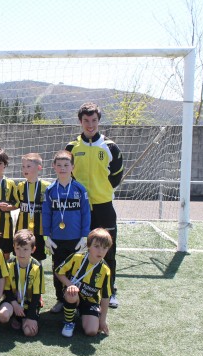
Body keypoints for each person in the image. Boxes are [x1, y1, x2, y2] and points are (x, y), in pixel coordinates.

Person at [65, 102, 124, 308]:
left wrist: (102, 190)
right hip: (80, 208)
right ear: (80, 122)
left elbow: (116, 176)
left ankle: (110, 290)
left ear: (99, 121)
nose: (90, 125)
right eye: (86, 121)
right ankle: (79, 288)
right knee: (80, 249)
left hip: (103, 206)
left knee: (108, 250)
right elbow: (67, 175)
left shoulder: (110, 147)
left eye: (94, 121)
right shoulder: (72, 148)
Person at [43, 150, 90, 313]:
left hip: (76, 239)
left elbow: (85, 213)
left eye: (66, 165)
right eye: (59, 165)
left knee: (76, 271)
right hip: (57, 239)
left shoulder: (79, 188)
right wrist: (46, 236)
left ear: (72, 167)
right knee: (58, 269)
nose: (62, 168)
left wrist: (85, 236)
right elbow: (47, 213)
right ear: (54, 167)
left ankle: (75, 301)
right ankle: (60, 300)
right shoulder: (50, 190)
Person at [55, 228, 113, 338]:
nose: (100, 251)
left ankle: (82, 313)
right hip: (73, 295)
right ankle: (69, 323)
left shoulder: (105, 270)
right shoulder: (76, 257)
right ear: (88, 245)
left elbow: (105, 297)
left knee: (91, 332)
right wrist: (70, 285)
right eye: (96, 246)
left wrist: (102, 320)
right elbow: (59, 272)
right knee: (71, 293)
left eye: (104, 248)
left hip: (90, 302)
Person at [0, 229, 45, 337]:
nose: (21, 253)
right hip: (12, 301)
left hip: (29, 303)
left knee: (30, 333)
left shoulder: (37, 267)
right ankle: (15, 316)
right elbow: (7, 289)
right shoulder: (9, 264)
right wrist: (14, 304)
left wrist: (30, 317)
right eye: (18, 249)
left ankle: (23, 319)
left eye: (25, 249)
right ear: (13, 248)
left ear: (33, 249)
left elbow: (36, 294)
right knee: (3, 316)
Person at [15, 153, 50, 261]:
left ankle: (36, 276)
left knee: (37, 259)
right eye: (23, 166)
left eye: (28, 166)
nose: (25, 169)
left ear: (39, 168)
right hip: (23, 230)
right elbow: (15, 204)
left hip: (40, 231)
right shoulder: (20, 186)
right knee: (21, 257)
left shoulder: (47, 186)